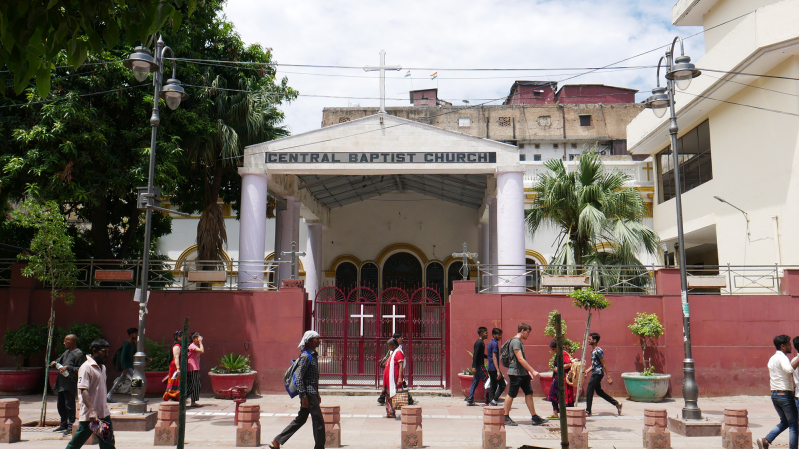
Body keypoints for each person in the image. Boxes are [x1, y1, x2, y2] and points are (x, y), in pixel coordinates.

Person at [270, 331, 324, 449]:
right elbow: (299, 377)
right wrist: (303, 396)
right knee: (318, 421)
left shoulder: (313, 354)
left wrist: (317, 393)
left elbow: (313, 377)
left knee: (301, 419)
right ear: (309, 341)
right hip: (308, 394)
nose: (319, 341)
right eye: (316, 339)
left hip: (312, 392)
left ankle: (277, 440)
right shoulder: (306, 356)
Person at [65, 339, 116, 449]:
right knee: (75, 444)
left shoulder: (102, 367)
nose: (107, 355)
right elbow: (84, 390)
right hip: (90, 416)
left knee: (108, 444)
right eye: (104, 352)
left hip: (103, 413)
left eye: (108, 352)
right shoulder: (86, 367)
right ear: (94, 351)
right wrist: (92, 411)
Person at [757, 334, 799, 449]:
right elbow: (789, 369)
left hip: (775, 395)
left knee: (785, 421)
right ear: (783, 346)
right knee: (793, 424)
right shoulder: (782, 358)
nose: (791, 347)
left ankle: (766, 440)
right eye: (789, 345)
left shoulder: (772, 358)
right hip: (784, 394)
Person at [503, 323, 548, 426]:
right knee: (511, 394)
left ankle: (535, 417)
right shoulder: (515, 342)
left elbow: (521, 360)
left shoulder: (518, 342)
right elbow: (520, 358)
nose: (528, 335)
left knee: (528, 393)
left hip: (522, 373)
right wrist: (533, 371)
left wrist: (527, 372)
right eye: (528, 333)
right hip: (515, 373)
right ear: (522, 331)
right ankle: (505, 416)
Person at [50, 334, 85, 434]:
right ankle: (63, 424)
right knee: (60, 405)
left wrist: (68, 368)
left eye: (66, 341)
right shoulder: (66, 352)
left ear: (71, 341)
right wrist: (54, 362)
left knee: (69, 405)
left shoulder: (78, 354)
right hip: (61, 383)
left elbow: (80, 369)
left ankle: (71, 425)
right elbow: (59, 361)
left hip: (70, 383)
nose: (64, 343)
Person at [583, 332, 622, 416]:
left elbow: (603, 364)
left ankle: (588, 411)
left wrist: (609, 377)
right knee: (599, 392)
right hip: (595, 372)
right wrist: (587, 370)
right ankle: (617, 404)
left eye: (590, 339)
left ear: (595, 340)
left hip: (598, 373)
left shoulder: (599, 350)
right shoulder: (592, 351)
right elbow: (594, 364)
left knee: (589, 389)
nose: (588, 341)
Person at [378, 332, 415, 406]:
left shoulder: (397, 351)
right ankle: (407, 400)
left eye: (389, 346)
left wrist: (399, 377)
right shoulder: (394, 350)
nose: (402, 339)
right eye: (401, 337)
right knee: (397, 387)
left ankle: (404, 400)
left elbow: (400, 364)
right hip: (393, 372)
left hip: (396, 372)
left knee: (399, 387)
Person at [544, 339, 575, 419]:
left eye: (554, 349)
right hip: (558, 379)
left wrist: (559, 368)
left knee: (564, 396)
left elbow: (568, 364)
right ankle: (555, 412)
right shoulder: (559, 354)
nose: (553, 351)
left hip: (563, 379)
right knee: (553, 395)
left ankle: (566, 414)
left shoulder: (563, 354)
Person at [107, 328, 137, 403]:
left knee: (119, 382)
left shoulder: (133, 344)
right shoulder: (126, 344)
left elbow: (136, 353)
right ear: (131, 334)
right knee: (136, 380)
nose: (136, 335)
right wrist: (124, 367)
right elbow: (122, 356)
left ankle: (108, 395)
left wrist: (146, 358)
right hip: (127, 367)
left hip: (129, 367)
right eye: (135, 333)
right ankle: (137, 397)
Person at [381, 338, 405, 418]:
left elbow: (401, 366)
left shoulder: (398, 353)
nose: (389, 347)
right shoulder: (393, 353)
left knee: (392, 396)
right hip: (388, 379)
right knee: (388, 397)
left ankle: (392, 412)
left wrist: (399, 378)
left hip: (394, 379)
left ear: (394, 345)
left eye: (389, 346)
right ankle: (390, 413)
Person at [467, 327, 489, 406]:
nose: (487, 334)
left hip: (478, 366)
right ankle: (487, 400)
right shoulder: (479, 343)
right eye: (486, 333)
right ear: (481, 333)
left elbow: (481, 355)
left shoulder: (481, 342)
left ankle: (470, 400)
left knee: (475, 382)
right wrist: (474, 367)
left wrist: (488, 357)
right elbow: (475, 355)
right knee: (487, 381)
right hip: (479, 366)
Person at [486, 328, 506, 407]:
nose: (500, 336)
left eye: (501, 335)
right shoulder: (494, 344)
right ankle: (494, 400)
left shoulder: (490, 343)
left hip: (490, 367)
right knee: (502, 384)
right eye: (499, 335)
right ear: (494, 335)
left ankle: (490, 401)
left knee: (493, 385)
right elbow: (494, 357)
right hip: (494, 368)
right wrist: (498, 370)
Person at [163, 330, 182, 402]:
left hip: (176, 366)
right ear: (178, 337)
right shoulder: (176, 346)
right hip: (175, 366)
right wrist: (178, 368)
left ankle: (175, 397)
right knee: (174, 381)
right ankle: (172, 396)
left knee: (177, 381)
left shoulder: (179, 345)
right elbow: (176, 357)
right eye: (183, 336)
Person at [187, 332, 205, 407]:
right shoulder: (192, 346)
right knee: (192, 385)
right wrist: (200, 342)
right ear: (193, 339)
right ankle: (181, 397)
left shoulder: (195, 345)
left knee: (197, 385)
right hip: (192, 368)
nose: (199, 339)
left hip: (196, 367)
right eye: (197, 338)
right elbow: (202, 351)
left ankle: (193, 401)